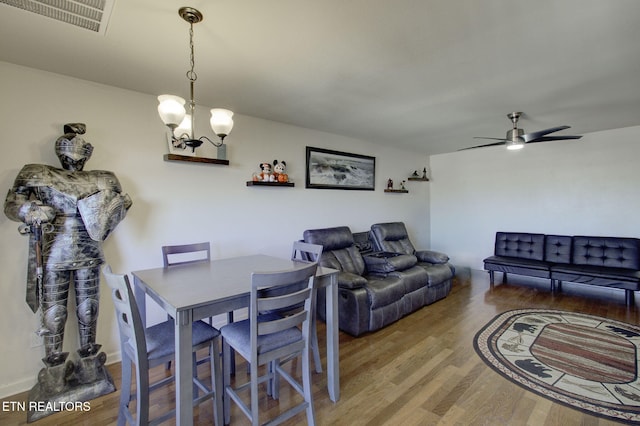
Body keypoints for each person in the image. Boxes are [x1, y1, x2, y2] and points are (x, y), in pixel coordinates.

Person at [4, 123, 132, 391]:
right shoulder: (38, 172)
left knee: (89, 310)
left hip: (88, 249)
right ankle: (55, 373)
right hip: (53, 251)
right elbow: (12, 204)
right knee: (54, 313)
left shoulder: (103, 178)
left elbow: (113, 211)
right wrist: (29, 210)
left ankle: (88, 364)